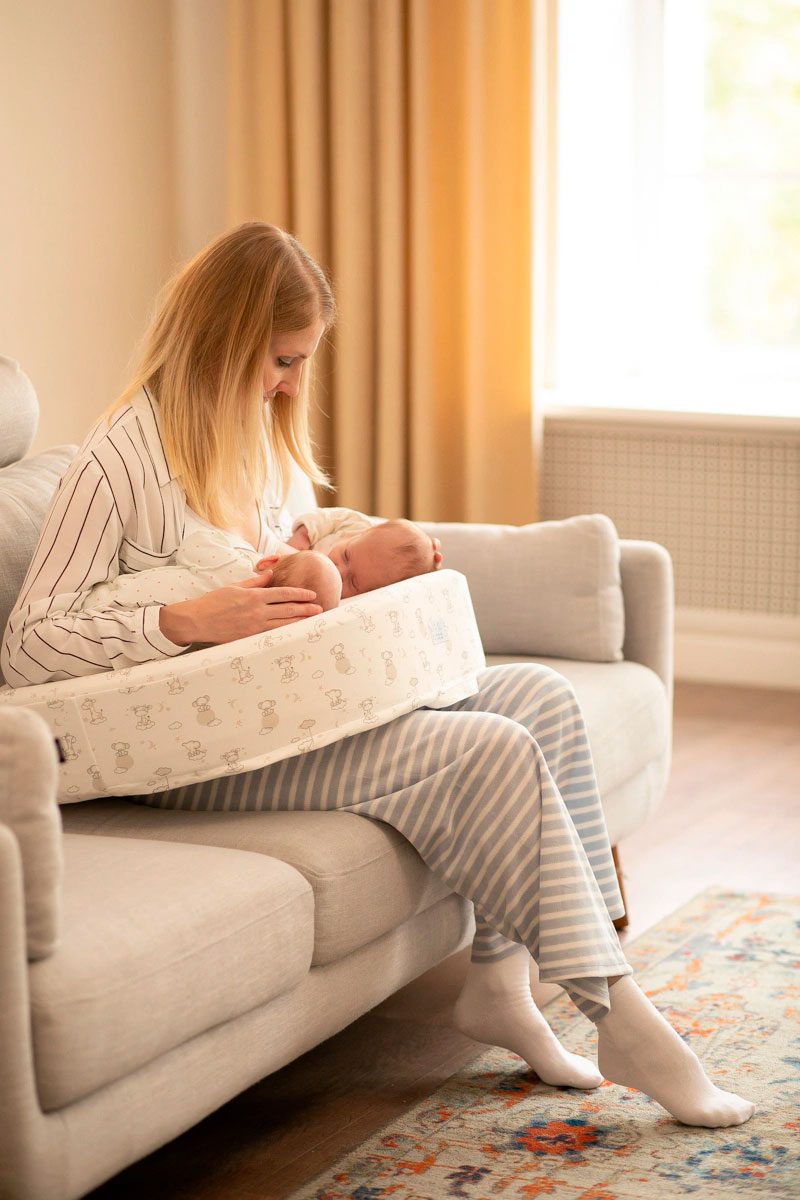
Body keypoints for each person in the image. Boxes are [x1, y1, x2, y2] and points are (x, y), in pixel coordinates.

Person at [0, 222, 754, 1128]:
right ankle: (621, 1017)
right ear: (226, 338)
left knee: (539, 698)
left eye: (298, 363)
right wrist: (184, 617)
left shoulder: (263, 441)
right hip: (199, 756)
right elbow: (29, 644)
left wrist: (357, 555)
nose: (288, 383)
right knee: (484, 752)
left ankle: (501, 986)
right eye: (279, 359)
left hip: (292, 717)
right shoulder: (117, 459)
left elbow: (302, 563)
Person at [286, 507, 442, 598]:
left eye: (353, 581)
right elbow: (326, 517)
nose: (339, 571)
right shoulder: (357, 524)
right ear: (366, 531)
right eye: (345, 555)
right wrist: (304, 534)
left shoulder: (346, 602)